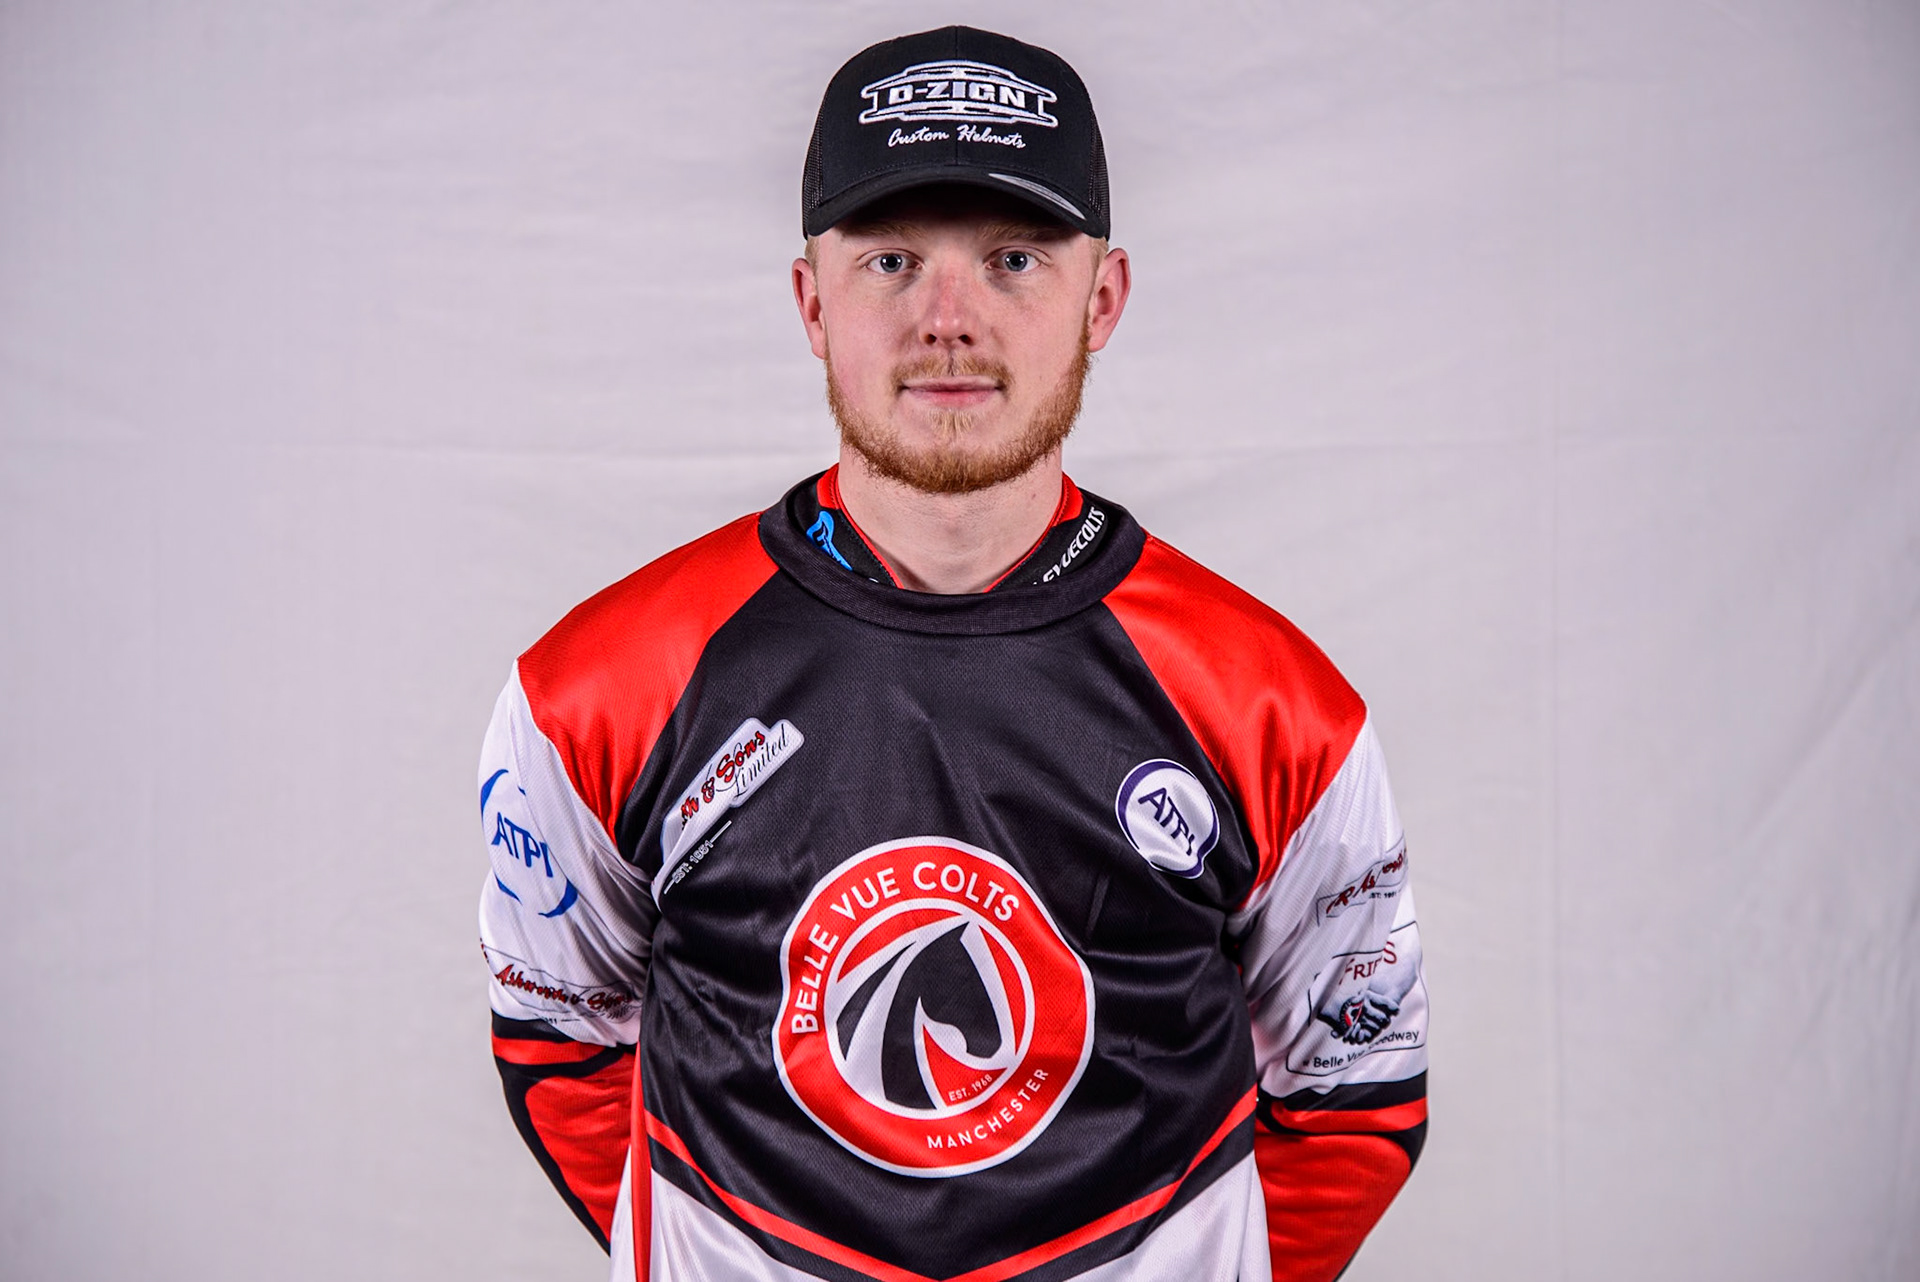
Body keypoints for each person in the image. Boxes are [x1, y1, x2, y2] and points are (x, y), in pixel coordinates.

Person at [479, 25, 1427, 1282]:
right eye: (890, 261)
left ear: (1104, 299)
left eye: (1013, 259)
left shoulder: (1273, 706)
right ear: (812, 302)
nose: (948, 320)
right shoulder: (596, 693)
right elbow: (558, 1043)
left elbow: (1357, 1095)